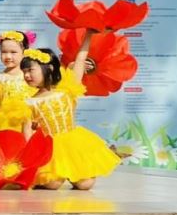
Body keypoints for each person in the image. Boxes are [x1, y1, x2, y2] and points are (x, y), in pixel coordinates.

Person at [22, 47, 117, 190]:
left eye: (30, 70)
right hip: (49, 148)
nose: (26, 75)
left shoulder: (66, 90)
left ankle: (74, 172)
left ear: (49, 68)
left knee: (85, 185)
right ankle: (51, 176)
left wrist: (87, 38)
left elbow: (80, 60)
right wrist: (31, 159)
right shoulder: (28, 102)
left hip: (72, 144)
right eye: (24, 71)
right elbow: (27, 131)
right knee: (52, 184)